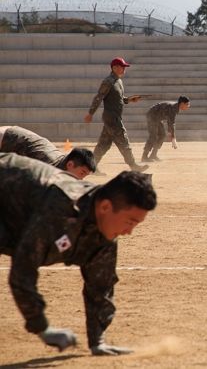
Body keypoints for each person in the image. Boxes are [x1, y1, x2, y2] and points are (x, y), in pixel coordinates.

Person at [0, 152, 157, 355]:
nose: (129, 232)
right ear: (106, 207)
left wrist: (97, 341)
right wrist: (42, 328)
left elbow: (100, 286)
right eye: (130, 222)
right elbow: (23, 271)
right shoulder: (60, 208)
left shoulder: (106, 233)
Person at [84, 57, 148, 174]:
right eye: (122, 67)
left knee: (104, 144)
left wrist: (129, 100)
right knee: (123, 140)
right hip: (112, 118)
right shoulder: (108, 81)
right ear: (114, 68)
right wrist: (90, 113)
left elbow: (119, 99)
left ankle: (91, 166)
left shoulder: (118, 81)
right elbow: (99, 97)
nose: (124, 69)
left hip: (113, 117)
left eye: (124, 67)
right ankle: (133, 165)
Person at [0, 125, 96, 179]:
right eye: (82, 173)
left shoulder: (62, 163)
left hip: (10, 137)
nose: (81, 179)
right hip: (4, 138)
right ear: (70, 165)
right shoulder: (50, 165)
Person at [141, 96, 191, 162]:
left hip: (157, 118)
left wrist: (172, 135)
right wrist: (173, 138)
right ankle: (144, 157)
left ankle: (153, 155)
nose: (188, 106)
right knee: (153, 136)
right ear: (182, 103)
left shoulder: (175, 107)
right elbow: (171, 124)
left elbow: (170, 123)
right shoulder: (173, 108)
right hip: (152, 116)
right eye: (187, 104)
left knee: (162, 135)